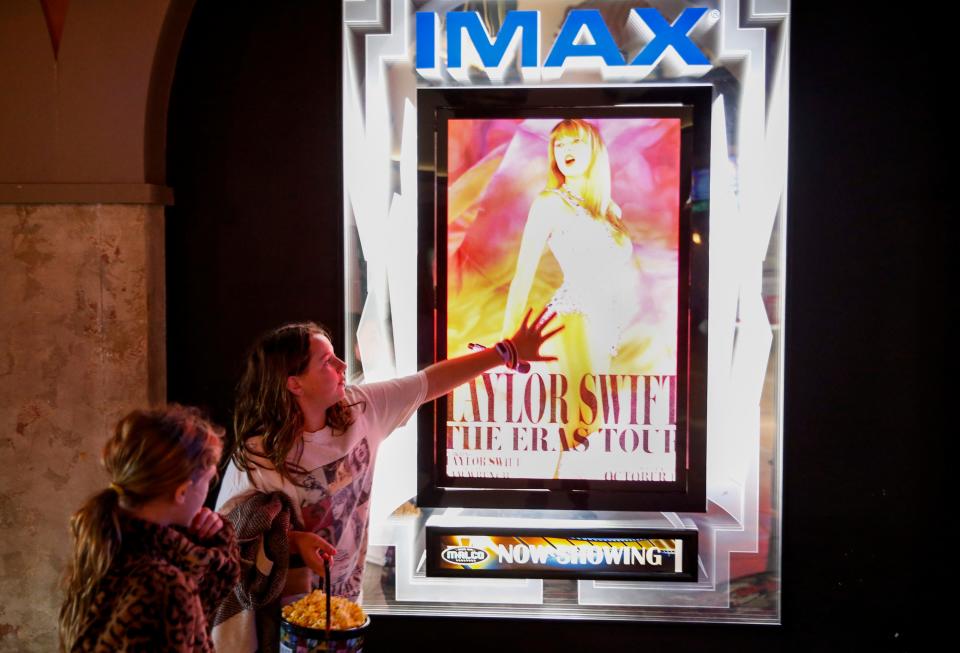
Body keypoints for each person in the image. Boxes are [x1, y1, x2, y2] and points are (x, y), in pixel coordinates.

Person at [215, 310, 560, 606]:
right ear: (294, 384)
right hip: (281, 614)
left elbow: (427, 382)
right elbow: (226, 534)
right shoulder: (260, 454)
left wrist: (505, 353)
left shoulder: (360, 409)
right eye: (326, 362)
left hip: (346, 604)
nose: (342, 365)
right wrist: (295, 541)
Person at [501, 119, 637, 454]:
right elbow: (523, 274)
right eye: (558, 145)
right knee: (581, 420)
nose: (565, 151)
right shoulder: (550, 203)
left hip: (608, 326)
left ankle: (574, 496)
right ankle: (555, 497)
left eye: (574, 142)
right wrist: (507, 341)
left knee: (593, 423)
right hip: (572, 318)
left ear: (594, 150)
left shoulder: (611, 211)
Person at [59, 406, 240, 653]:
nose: (209, 492)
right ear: (182, 492)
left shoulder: (105, 542)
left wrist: (208, 545)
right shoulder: (164, 586)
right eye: (209, 480)